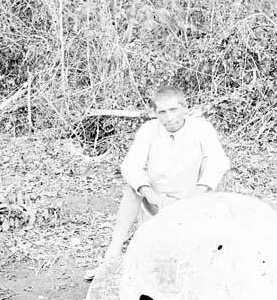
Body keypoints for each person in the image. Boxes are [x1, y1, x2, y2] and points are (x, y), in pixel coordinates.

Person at [84, 86, 230, 280]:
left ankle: (215, 252)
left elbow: (219, 163)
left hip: (192, 202)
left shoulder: (201, 128)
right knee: (132, 188)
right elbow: (130, 165)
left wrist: (196, 194)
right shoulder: (149, 130)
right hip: (157, 204)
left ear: (184, 108)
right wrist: (151, 195)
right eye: (162, 112)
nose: (169, 118)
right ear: (155, 113)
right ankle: (112, 255)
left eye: (173, 110)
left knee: (216, 177)